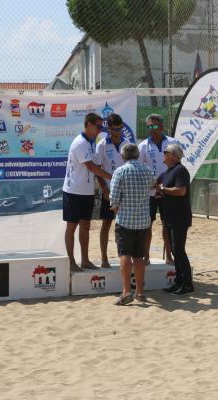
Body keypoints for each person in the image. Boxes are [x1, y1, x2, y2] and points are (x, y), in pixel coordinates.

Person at [62, 112, 113, 272]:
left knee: (85, 225)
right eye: (98, 126)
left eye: (101, 127)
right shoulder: (80, 143)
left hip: (87, 192)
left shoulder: (91, 142)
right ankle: (71, 261)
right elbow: (91, 167)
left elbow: (95, 167)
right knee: (72, 227)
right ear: (89, 125)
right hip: (73, 191)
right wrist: (113, 176)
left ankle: (85, 260)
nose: (100, 130)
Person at [109, 143, 155, 305]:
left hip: (125, 221)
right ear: (137, 155)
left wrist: (116, 208)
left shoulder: (120, 172)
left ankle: (126, 291)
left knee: (125, 256)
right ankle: (140, 292)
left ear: (123, 156)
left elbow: (113, 198)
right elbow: (152, 189)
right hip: (143, 221)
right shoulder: (148, 171)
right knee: (139, 257)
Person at [157, 144, 194, 295]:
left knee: (178, 250)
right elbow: (155, 184)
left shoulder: (180, 170)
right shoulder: (166, 173)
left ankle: (187, 284)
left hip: (180, 216)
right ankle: (179, 281)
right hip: (169, 216)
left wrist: (163, 190)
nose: (163, 154)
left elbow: (181, 191)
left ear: (173, 155)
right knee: (174, 249)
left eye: (165, 152)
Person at [138, 113, 175, 265]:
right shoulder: (142, 146)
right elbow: (139, 169)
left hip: (167, 191)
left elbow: (177, 166)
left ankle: (168, 256)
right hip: (150, 192)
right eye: (148, 127)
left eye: (153, 126)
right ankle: (146, 256)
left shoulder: (173, 143)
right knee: (148, 225)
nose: (151, 129)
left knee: (167, 224)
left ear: (161, 126)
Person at [95, 113, 130, 268]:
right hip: (109, 191)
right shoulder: (102, 145)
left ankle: (123, 256)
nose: (118, 132)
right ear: (108, 129)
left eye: (120, 128)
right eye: (115, 129)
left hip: (125, 192)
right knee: (106, 224)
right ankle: (104, 257)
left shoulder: (127, 144)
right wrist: (104, 189)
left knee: (124, 226)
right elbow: (97, 169)